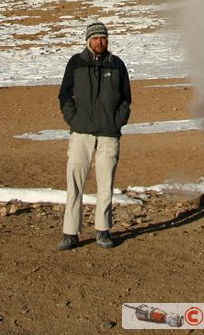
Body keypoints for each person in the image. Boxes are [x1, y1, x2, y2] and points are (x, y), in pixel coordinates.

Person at [56, 21, 131, 250]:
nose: (100, 42)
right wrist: (74, 119)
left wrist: (117, 121)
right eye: (96, 38)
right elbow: (64, 95)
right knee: (75, 182)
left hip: (108, 135)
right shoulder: (76, 63)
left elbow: (125, 98)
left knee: (105, 184)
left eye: (103, 38)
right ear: (88, 40)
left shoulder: (117, 65)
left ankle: (103, 230)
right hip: (81, 134)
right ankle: (70, 232)